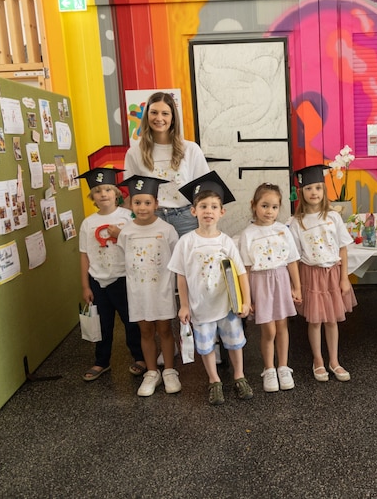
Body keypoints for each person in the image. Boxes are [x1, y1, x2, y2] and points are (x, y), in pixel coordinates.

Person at [169, 171, 253, 405]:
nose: (208, 211)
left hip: (227, 306)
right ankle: (214, 380)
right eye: (203, 206)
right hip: (200, 309)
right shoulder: (186, 242)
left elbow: (241, 273)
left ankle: (239, 375)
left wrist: (245, 300)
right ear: (193, 211)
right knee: (205, 347)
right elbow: (181, 276)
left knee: (235, 343)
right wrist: (184, 305)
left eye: (214, 206)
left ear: (221, 212)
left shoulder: (226, 241)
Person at [76, 168, 145, 382]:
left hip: (123, 278)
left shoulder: (128, 217)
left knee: (131, 321)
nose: (103, 194)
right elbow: (84, 256)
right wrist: (86, 286)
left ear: (116, 192)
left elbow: (140, 244)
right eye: (98, 191)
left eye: (107, 189)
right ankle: (101, 361)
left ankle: (140, 357)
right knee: (102, 324)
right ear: (93, 197)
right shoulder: (88, 223)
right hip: (98, 280)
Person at [289, 165, 357, 382]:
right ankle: (318, 360)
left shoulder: (333, 217)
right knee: (315, 321)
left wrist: (344, 277)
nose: (314, 192)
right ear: (302, 192)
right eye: (309, 188)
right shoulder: (296, 222)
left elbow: (343, 248)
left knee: (332, 320)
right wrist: (297, 285)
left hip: (333, 273)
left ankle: (334, 361)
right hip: (311, 274)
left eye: (318, 187)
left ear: (324, 190)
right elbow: (295, 256)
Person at [116, 175, 180, 397]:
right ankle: (152, 372)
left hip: (161, 290)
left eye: (147, 203)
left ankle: (170, 370)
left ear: (156, 204)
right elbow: (126, 257)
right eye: (137, 202)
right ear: (130, 204)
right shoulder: (126, 232)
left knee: (164, 329)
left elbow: (175, 258)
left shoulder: (167, 230)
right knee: (145, 330)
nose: (142, 208)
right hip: (138, 292)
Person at [238, 183, 302, 393]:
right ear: (254, 205)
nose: (269, 211)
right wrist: (248, 299)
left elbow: (292, 260)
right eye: (265, 205)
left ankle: (283, 367)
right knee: (269, 330)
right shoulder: (248, 233)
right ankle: (269, 369)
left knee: (282, 326)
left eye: (274, 207)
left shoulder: (283, 230)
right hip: (260, 283)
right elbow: (245, 268)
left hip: (281, 280)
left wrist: (297, 287)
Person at [123, 91, 210, 237]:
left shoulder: (190, 149)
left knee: (187, 260)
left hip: (186, 218)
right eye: (154, 112)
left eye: (165, 113)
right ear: (147, 116)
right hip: (152, 218)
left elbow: (204, 189)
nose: (159, 118)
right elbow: (133, 194)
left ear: (173, 118)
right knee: (155, 260)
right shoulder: (134, 153)